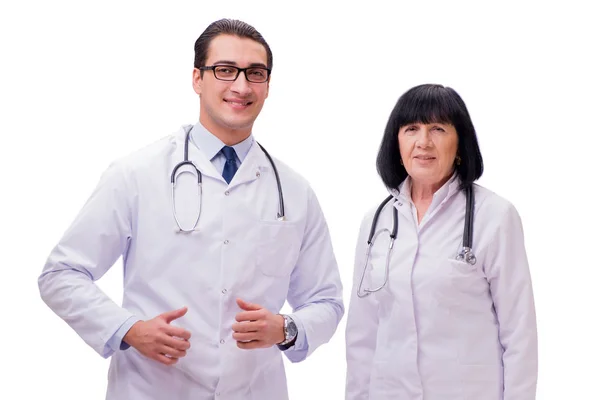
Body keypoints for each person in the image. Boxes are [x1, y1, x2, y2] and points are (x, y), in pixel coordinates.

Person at [38, 18, 344, 400]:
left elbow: (327, 301)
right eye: (225, 70)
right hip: (152, 388)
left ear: (267, 86)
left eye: (256, 73)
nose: (241, 86)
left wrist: (287, 328)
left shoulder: (294, 191)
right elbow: (61, 274)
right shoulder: (136, 174)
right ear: (197, 79)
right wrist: (128, 329)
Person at [344, 84, 537, 399]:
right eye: (411, 129)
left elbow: (519, 334)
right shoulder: (376, 221)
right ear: (397, 143)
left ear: (460, 144)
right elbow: (362, 335)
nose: (423, 142)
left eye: (438, 129)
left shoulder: (495, 216)